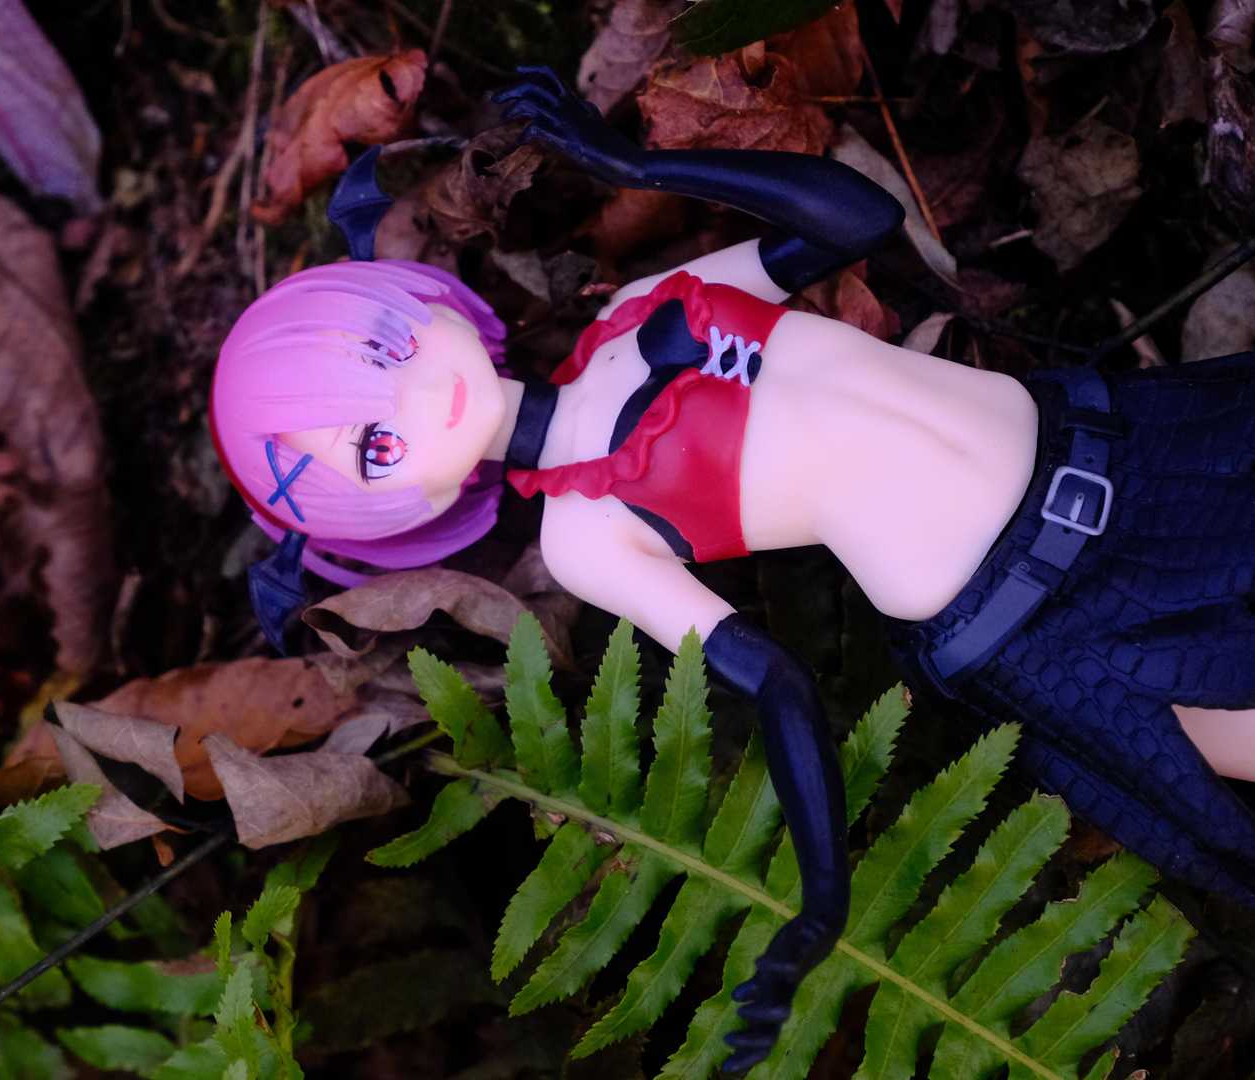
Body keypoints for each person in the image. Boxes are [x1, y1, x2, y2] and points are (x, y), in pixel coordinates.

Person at [209, 66, 1255, 1069]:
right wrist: (819, 903)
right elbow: (773, 681)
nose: (412, 402)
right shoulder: (583, 535)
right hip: (1049, 628)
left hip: (1125, 444)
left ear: (419, 300)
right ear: (400, 504)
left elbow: (855, 219)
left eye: (383, 350)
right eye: (375, 447)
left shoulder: (635, 314)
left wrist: (635, 165)